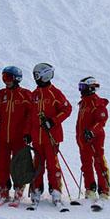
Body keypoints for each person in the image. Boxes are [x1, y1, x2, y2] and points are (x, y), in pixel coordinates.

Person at [29, 62, 72, 208]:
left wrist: (53, 121)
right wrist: (27, 133)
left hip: (51, 136)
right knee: (37, 165)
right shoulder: (34, 94)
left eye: (37, 75)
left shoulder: (55, 93)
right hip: (37, 137)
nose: (35, 78)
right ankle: (36, 190)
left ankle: (56, 191)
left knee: (52, 165)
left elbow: (67, 109)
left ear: (44, 76)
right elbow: (30, 117)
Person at [0, 66, 33, 204]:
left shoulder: (25, 94)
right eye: (4, 77)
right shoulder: (2, 94)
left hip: (19, 137)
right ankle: (4, 192)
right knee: (2, 164)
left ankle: (18, 191)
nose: (6, 81)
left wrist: (28, 132)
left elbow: (30, 116)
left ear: (17, 79)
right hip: (3, 136)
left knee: (18, 165)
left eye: (8, 78)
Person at [75, 76, 110, 202]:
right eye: (80, 87)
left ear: (90, 88)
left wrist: (92, 131)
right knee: (86, 164)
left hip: (96, 138)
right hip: (83, 138)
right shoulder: (83, 103)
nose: (80, 90)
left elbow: (101, 121)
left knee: (99, 162)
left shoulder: (98, 103)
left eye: (83, 87)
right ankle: (90, 188)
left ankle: (104, 190)